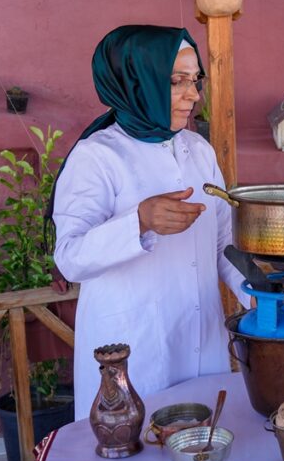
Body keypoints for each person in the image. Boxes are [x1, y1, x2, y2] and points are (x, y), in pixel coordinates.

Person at [50, 25, 248, 419]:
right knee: (134, 453)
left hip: (198, 334)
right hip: (132, 344)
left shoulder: (199, 150)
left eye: (195, 80)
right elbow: (70, 258)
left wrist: (254, 292)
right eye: (176, 81)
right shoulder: (98, 156)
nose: (193, 95)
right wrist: (138, 222)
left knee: (201, 446)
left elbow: (224, 239)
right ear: (136, 82)